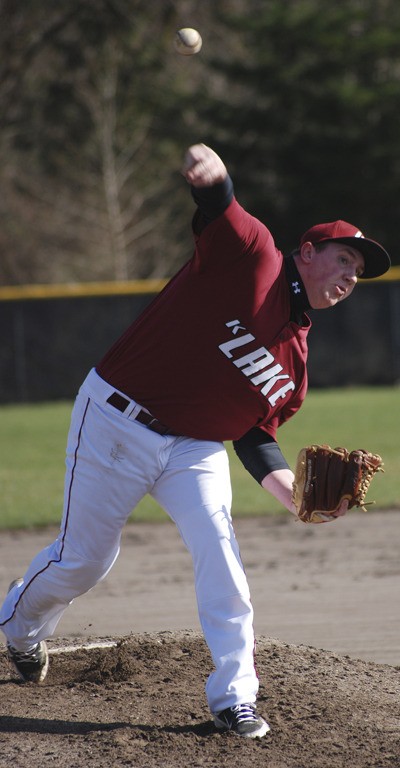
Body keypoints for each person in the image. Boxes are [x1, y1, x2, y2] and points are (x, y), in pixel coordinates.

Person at [0, 144, 391, 739]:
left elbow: (255, 437)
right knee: (84, 562)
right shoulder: (252, 255)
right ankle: (20, 627)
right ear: (306, 252)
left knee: (222, 556)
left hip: (194, 450)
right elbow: (220, 208)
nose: (348, 279)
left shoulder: (296, 366)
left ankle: (235, 696)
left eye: (357, 275)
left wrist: (298, 499)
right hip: (115, 418)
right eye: (342, 261)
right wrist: (213, 178)